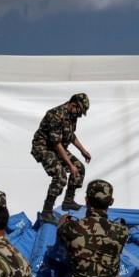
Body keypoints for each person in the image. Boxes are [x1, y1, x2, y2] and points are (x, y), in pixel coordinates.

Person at [31, 93, 92, 223]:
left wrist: (83, 150)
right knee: (60, 175)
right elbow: (56, 143)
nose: (80, 115)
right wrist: (70, 165)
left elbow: (71, 136)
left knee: (79, 168)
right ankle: (46, 211)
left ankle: (68, 201)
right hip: (44, 147)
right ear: (73, 104)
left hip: (57, 147)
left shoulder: (72, 114)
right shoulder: (55, 115)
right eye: (80, 111)